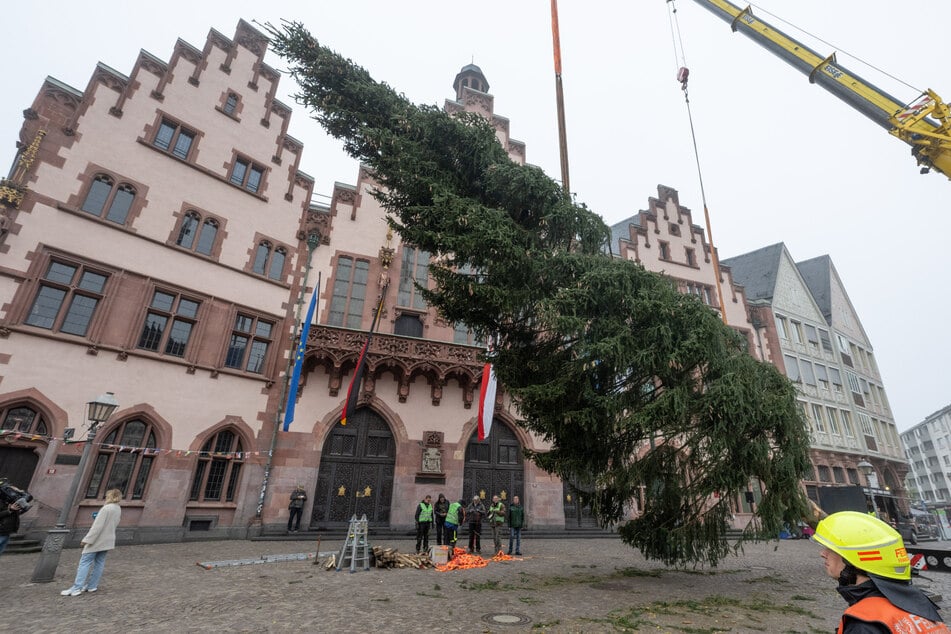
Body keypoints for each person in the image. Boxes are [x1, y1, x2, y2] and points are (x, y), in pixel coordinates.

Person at [813, 510, 950, 633]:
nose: (823, 553)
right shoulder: (921, 607)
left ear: (855, 560)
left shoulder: (865, 623)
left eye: (831, 549)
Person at [61, 488, 122, 596]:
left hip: (97, 540)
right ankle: (92, 586)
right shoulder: (118, 508)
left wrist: (87, 540)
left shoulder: (106, 508)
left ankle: (76, 588)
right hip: (108, 539)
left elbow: (96, 527)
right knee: (99, 563)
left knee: (85, 562)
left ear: (109, 496)